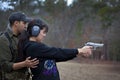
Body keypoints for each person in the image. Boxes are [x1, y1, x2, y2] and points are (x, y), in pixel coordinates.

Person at [18, 18, 93, 80]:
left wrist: (78, 54)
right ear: (35, 31)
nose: (44, 35)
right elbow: (57, 52)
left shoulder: (38, 46)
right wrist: (79, 50)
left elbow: (56, 56)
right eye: (43, 32)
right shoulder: (33, 47)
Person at [0, 12, 39, 80]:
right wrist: (24, 64)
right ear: (16, 23)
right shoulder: (3, 40)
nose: (25, 26)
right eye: (24, 23)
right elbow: (5, 66)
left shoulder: (23, 37)